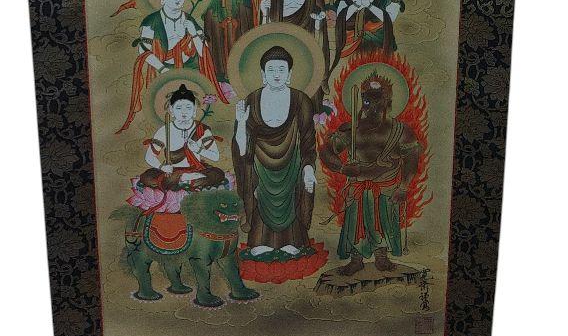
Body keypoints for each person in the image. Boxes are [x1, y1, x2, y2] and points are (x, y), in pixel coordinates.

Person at [319, 73, 423, 275]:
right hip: (358, 187)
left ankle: (382, 257)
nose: (373, 107)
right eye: (367, 101)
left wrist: (404, 187)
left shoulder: (401, 131)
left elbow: (412, 158)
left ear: (388, 102)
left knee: (384, 221)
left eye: (378, 102)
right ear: (361, 101)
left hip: (386, 187)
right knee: (355, 222)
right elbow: (326, 151)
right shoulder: (350, 130)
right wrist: (342, 168)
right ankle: (356, 259)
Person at [232, 45, 318, 257]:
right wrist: (241, 124)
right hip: (259, 165)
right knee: (260, 195)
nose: (276, 74)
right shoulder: (252, 100)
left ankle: (293, 240)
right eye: (271, 69)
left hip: (292, 164)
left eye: (281, 69)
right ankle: (260, 240)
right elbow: (241, 149)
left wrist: (308, 168)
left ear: (289, 74)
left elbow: (308, 140)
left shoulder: (301, 100)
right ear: (263, 74)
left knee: (292, 196)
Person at [117, 0, 221, 133]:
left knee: (196, 104)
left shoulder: (189, 20)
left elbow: (203, 53)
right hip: (160, 70)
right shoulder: (151, 21)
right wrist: (163, 69)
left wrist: (194, 33)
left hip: (189, 69)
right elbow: (144, 51)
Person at [139, 84, 225, 192]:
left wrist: (198, 150)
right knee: (147, 177)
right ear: (171, 109)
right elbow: (149, 156)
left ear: (194, 110)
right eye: (179, 108)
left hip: (197, 170)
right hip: (172, 172)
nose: (184, 112)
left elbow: (215, 157)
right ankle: (184, 179)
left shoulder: (201, 129)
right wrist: (162, 167)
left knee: (217, 174)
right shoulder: (164, 130)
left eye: (188, 107)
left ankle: (183, 180)